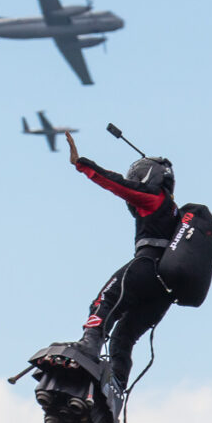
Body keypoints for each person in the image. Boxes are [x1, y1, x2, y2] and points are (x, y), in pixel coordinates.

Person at [63, 132, 178, 392]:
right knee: (123, 337)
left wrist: (82, 164)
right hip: (165, 290)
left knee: (104, 301)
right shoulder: (174, 211)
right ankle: (115, 389)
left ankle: (89, 344)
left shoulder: (153, 198)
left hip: (147, 266)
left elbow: (116, 184)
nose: (133, 182)